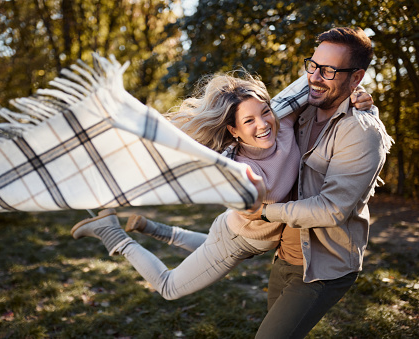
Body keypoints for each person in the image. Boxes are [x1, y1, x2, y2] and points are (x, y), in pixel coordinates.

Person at [69, 68, 374, 302]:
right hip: (238, 239)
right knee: (169, 286)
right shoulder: (240, 169)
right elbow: (242, 190)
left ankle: (153, 228)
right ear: (234, 130)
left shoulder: (285, 124)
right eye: (249, 121)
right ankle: (113, 234)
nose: (263, 124)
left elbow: (313, 81)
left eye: (264, 112)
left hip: (239, 234)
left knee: (208, 246)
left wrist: (357, 95)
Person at [250, 27, 391, 338]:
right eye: (313, 65)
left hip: (322, 268)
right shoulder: (299, 115)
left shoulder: (361, 131)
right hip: (285, 256)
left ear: (356, 78)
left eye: (329, 70)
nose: (314, 77)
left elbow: (331, 209)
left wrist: (264, 212)